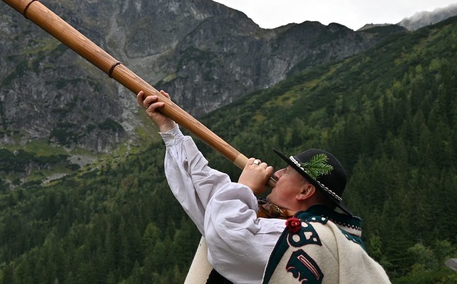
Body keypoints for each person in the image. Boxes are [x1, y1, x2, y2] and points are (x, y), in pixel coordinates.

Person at [137, 90, 390, 283]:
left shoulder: (305, 238)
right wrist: (170, 130)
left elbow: (228, 234)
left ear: (305, 192)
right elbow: (208, 193)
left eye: (287, 171)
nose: (277, 173)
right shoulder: (269, 217)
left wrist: (245, 186)